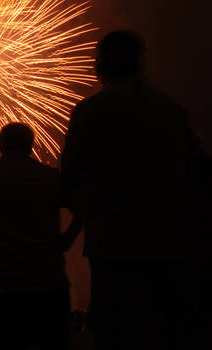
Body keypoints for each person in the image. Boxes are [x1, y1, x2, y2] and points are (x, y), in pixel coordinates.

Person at [61, 30, 202, 350]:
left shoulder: (91, 111)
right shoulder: (169, 110)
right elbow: (195, 171)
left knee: (117, 332)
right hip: (168, 242)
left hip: (113, 244)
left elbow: (68, 179)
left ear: (99, 66)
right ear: (139, 63)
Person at [0, 122, 75, 350]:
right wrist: (67, 239)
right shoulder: (48, 175)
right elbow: (82, 207)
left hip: (6, 283)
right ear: (30, 145)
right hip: (49, 281)